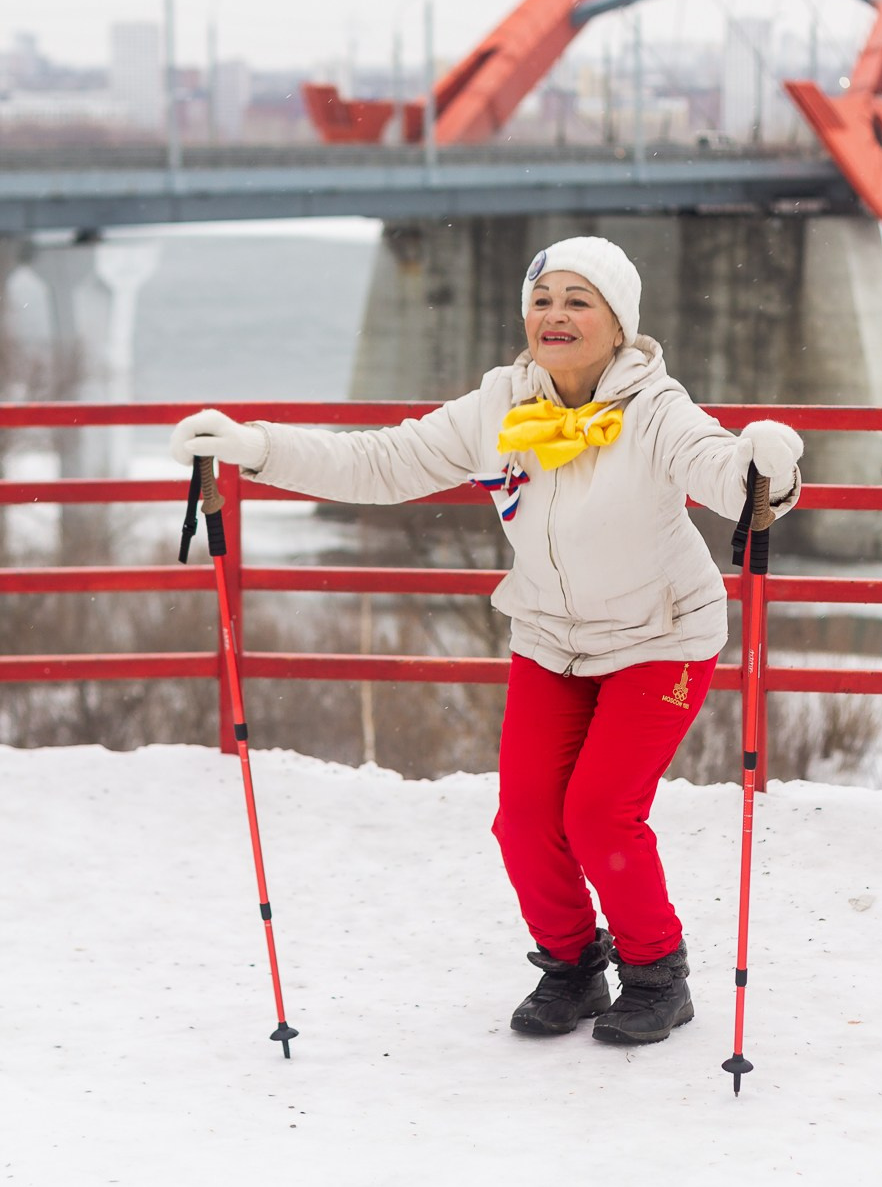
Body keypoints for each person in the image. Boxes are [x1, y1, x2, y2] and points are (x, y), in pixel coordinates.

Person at [171, 235, 802, 1046]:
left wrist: (766, 466)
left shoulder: (657, 410)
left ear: (619, 325)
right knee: (526, 818)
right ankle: (573, 968)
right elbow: (383, 460)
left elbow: (724, 472)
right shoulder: (500, 406)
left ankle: (657, 973)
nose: (555, 315)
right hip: (549, 635)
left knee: (602, 814)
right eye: (542, 300)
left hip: (661, 638)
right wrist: (256, 447)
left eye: (579, 300)